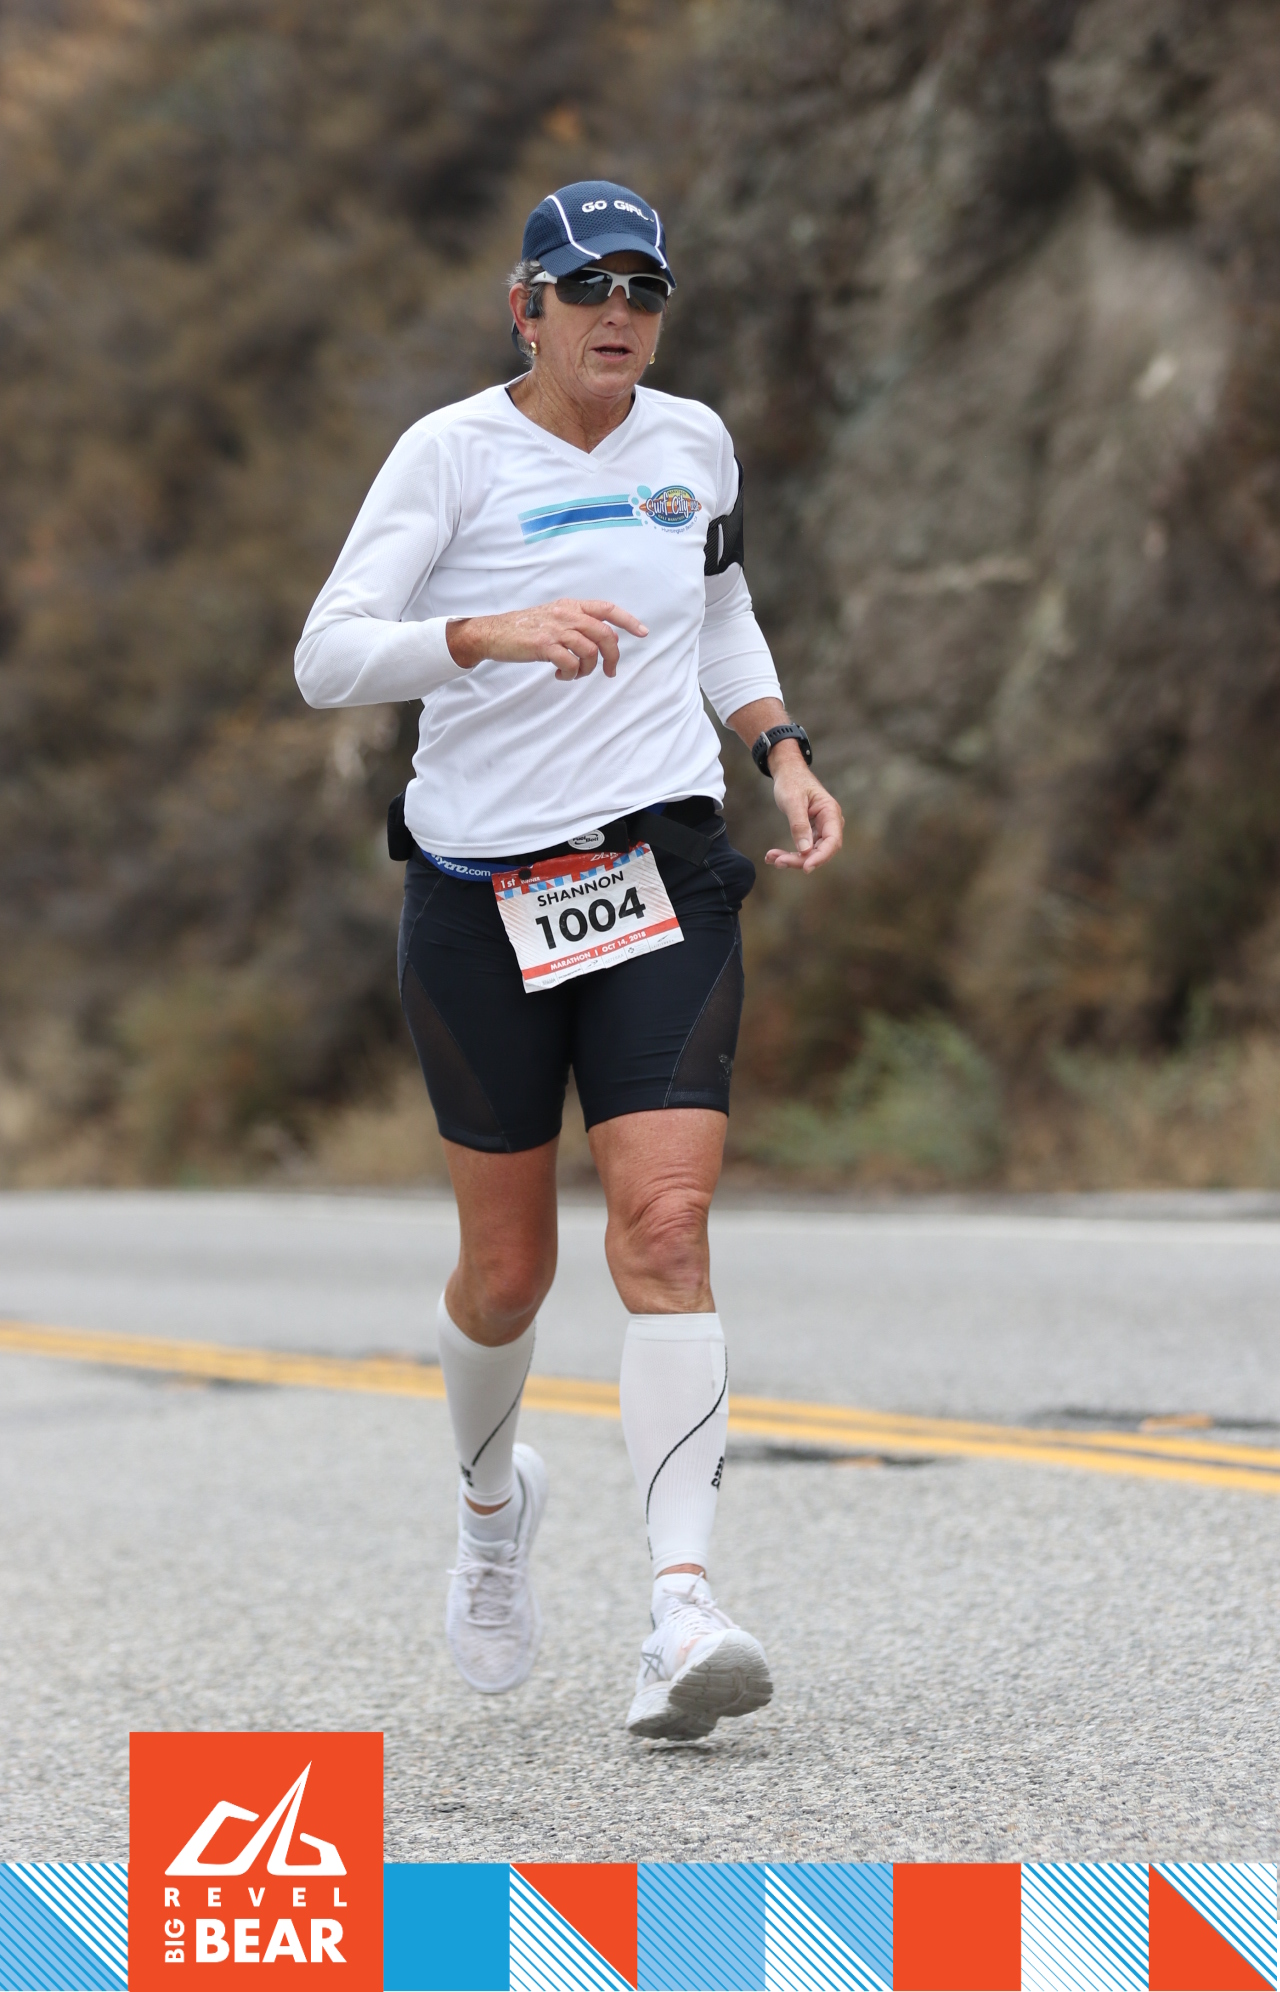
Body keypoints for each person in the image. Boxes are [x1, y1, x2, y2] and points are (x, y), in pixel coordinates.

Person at [296, 179, 842, 1740]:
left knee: (665, 1228)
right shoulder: (452, 455)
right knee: (508, 1274)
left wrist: (780, 749)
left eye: (644, 291)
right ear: (522, 307)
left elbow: (720, 610)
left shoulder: (694, 443)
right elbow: (328, 654)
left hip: (658, 869)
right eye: (587, 286)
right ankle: (489, 1513)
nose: (618, 313)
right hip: (481, 895)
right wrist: (484, 634)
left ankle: (682, 1609)